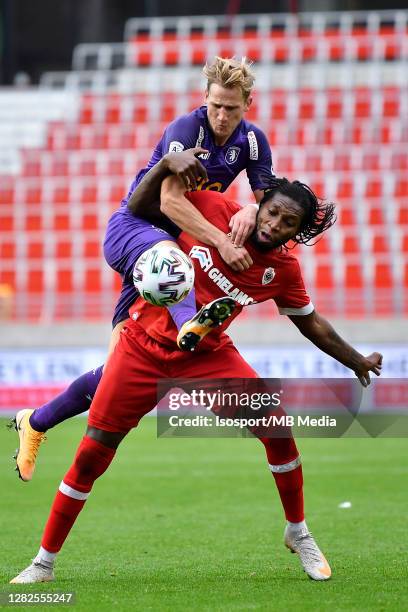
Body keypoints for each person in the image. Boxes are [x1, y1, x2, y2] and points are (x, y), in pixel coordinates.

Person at [10, 177, 383, 585]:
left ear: (298, 233)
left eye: (288, 222)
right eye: (272, 211)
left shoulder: (282, 270)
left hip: (207, 356)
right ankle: (43, 563)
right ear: (259, 204)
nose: (275, 224)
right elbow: (154, 204)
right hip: (141, 347)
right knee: (92, 454)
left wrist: (355, 359)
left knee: (276, 427)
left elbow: (310, 322)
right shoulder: (212, 208)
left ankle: (298, 531)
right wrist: (168, 167)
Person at [13, 56, 275, 481]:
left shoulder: (252, 142)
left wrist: (251, 205)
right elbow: (170, 202)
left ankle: (35, 422)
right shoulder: (186, 131)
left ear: (248, 103)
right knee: (173, 260)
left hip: (163, 254)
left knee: (114, 371)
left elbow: (270, 199)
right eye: (215, 106)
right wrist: (224, 242)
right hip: (134, 230)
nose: (222, 116)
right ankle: (190, 323)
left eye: (232, 107)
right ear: (205, 100)